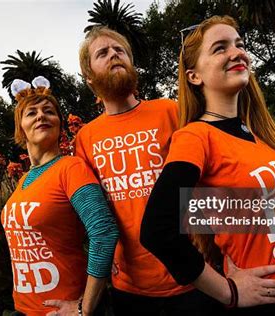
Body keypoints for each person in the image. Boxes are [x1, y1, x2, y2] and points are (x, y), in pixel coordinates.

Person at [140, 15, 275, 315]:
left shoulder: (260, 136)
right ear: (194, 76)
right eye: (219, 48)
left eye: (239, 44)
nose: (237, 52)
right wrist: (228, 292)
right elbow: (157, 230)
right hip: (273, 303)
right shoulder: (195, 136)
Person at [75, 26, 211, 316]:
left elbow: (207, 181)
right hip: (129, 290)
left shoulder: (171, 111)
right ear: (89, 78)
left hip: (192, 277)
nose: (114, 54)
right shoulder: (84, 138)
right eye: (103, 53)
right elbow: (92, 211)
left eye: (120, 50)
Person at [1, 76, 119, 316]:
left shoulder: (70, 168)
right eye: (31, 113)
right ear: (20, 129)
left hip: (64, 308)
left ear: (59, 124)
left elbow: (104, 232)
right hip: (24, 309)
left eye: (49, 111)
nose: (41, 116)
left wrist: (83, 307)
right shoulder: (23, 180)